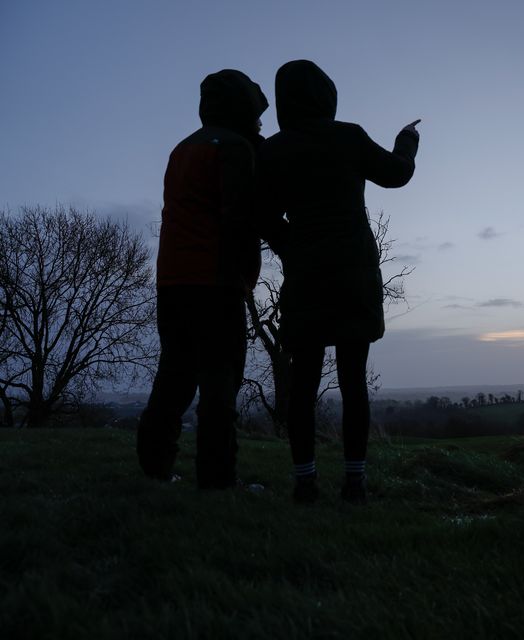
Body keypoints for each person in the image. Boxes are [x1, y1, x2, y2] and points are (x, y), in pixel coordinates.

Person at [256, 60, 419, 504]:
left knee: (303, 384)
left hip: (306, 276)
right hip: (354, 274)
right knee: (353, 381)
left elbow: (260, 212)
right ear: (327, 96)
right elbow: (397, 174)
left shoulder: (274, 150)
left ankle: (305, 483)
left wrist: (290, 244)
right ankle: (354, 483)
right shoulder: (348, 136)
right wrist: (407, 139)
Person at [137, 69, 268, 489]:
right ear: (242, 109)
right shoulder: (234, 148)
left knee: (174, 374)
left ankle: (155, 467)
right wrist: (245, 273)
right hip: (216, 280)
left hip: (171, 280)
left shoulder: (182, 148)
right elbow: (239, 217)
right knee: (219, 380)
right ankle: (217, 478)